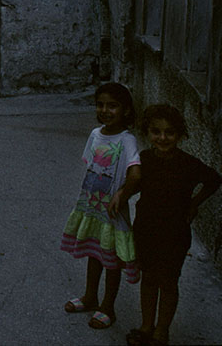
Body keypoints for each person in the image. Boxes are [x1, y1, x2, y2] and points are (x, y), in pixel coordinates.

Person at [127, 104, 222, 346]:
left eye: (169, 132)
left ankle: (162, 331)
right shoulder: (144, 160)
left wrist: (194, 203)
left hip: (175, 233)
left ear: (179, 135)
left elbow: (214, 180)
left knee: (168, 281)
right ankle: (146, 326)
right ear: (148, 133)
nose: (162, 138)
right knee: (148, 278)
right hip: (146, 229)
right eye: (156, 132)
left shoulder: (188, 164)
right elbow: (133, 185)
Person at [61, 82, 141, 330]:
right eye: (101, 105)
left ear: (126, 110)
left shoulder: (127, 140)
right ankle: (89, 296)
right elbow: (92, 166)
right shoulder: (96, 134)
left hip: (111, 211)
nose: (105, 110)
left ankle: (108, 306)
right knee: (95, 252)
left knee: (112, 260)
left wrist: (122, 194)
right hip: (92, 206)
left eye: (113, 106)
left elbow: (136, 174)